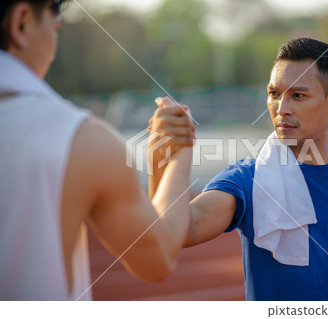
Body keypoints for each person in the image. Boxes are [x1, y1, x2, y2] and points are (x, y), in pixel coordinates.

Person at [149, 38, 328, 301]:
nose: (281, 109)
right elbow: (178, 231)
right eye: (274, 94)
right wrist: (160, 156)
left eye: (298, 95)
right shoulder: (246, 180)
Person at [0, 0, 195, 300]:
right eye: (55, 26)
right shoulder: (81, 137)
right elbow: (158, 258)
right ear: (21, 23)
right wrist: (180, 145)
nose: (55, 38)